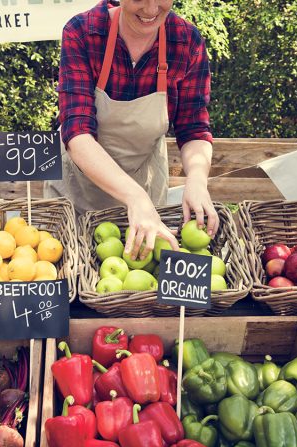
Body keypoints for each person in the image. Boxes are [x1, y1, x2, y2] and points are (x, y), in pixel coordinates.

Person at [44, 0, 218, 260]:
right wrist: (134, 197)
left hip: (146, 192)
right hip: (78, 192)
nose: (150, 10)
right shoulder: (83, 31)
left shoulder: (185, 40)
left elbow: (193, 128)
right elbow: (77, 131)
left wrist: (196, 179)